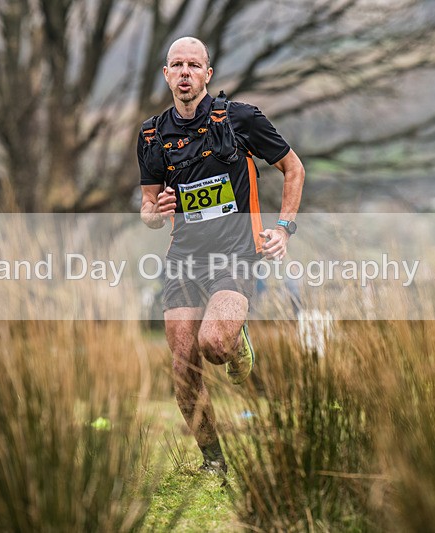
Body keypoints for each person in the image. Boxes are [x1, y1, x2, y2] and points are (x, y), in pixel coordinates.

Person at [137, 37, 305, 476]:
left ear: (208, 74)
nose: (185, 71)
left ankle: (236, 339)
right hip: (183, 258)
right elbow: (148, 208)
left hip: (235, 252)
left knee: (214, 345)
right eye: (177, 64)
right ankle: (214, 461)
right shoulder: (153, 134)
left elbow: (293, 168)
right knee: (182, 365)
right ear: (167, 74)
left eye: (194, 64)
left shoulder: (240, 119)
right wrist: (157, 213)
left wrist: (284, 228)